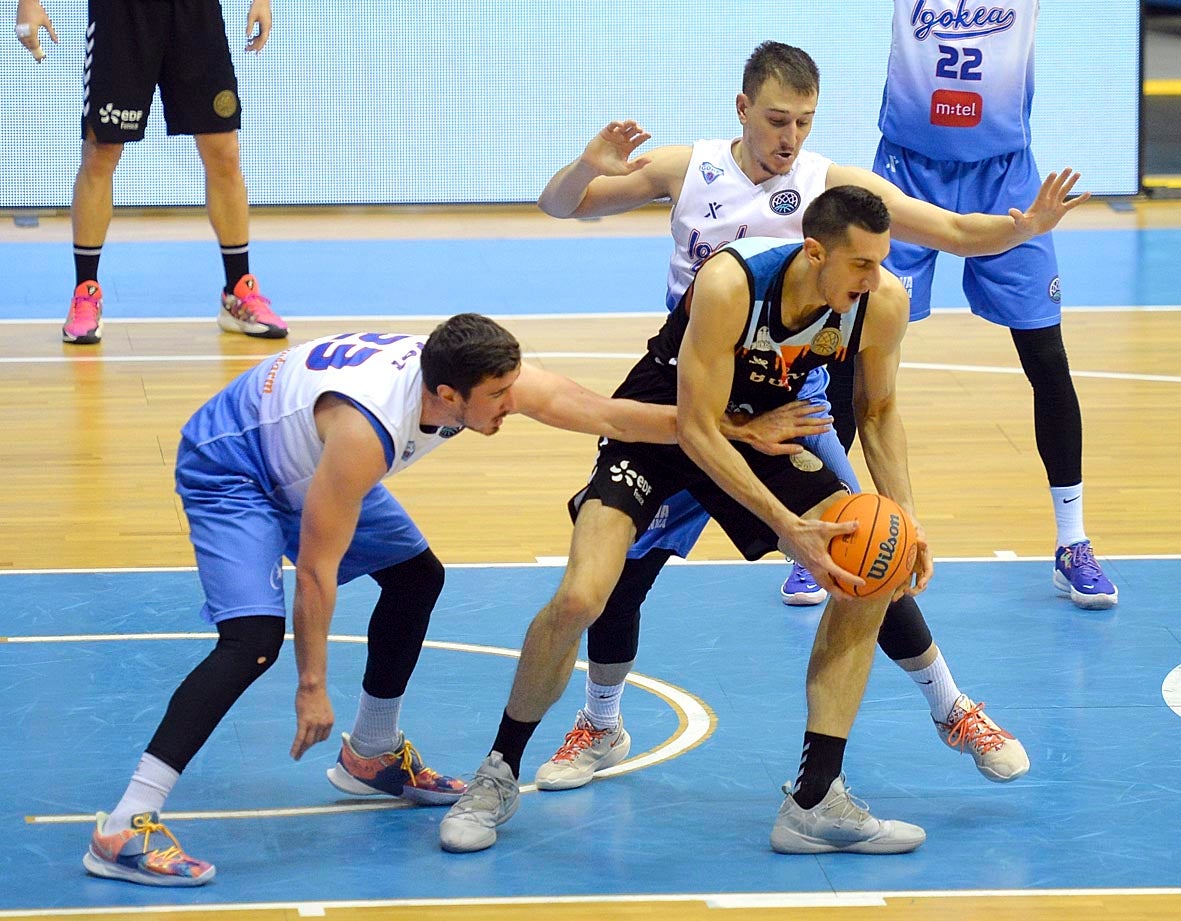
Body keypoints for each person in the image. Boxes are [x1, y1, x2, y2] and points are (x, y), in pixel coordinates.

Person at [81, 314, 816, 887]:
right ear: (445, 396)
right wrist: (310, 687)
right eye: (495, 398)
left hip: (305, 457)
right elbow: (315, 568)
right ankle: (124, 823)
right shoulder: (366, 432)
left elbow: (608, 414)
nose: (509, 406)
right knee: (252, 640)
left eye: (509, 389)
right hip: (233, 468)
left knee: (415, 575)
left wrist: (731, 429)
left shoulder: (473, 376)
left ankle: (371, 754)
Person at [525, 41, 1084, 792]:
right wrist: (587, 165)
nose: (789, 137)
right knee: (620, 572)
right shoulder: (686, 169)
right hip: (687, 399)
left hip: (788, 409)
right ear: (742, 109)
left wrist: (1022, 227)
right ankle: (601, 722)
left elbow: (949, 231)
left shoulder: (829, 184)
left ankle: (952, 706)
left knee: (867, 557)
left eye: (804, 122)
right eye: (777, 120)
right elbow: (560, 205)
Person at [439, 187, 935, 855]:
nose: (874, 279)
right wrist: (787, 525)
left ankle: (815, 798)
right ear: (814, 252)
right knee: (582, 596)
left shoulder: (881, 304)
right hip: (665, 430)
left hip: (764, 435)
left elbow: (876, 413)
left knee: (866, 564)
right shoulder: (732, 282)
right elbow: (700, 433)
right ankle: (496, 771)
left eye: (881, 262)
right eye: (860, 265)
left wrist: (906, 516)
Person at [873, 0, 1116, 610]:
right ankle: (821, 531)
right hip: (906, 173)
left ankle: (1072, 542)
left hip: (1006, 178)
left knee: (1047, 361)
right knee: (857, 358)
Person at [13, 0, 287, 344]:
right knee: (101, 152)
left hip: (195, 14)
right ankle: (86, 292)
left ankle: (237, 292)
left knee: (224, 153)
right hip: (121, 16)